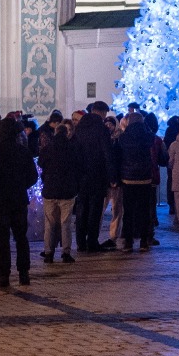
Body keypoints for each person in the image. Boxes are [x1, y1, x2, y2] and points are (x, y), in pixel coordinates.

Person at [0, 116, 38, 286]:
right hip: (19, 200)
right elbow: (33, 176)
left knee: (3, 238)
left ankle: (3, 273)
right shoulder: (23, 151)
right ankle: (23, 273)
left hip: (1, 201)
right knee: (21, 237)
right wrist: (21, 186)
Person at [72, 101, 114, 253]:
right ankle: (92, 242)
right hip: (97, 174)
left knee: (82, 208)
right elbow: (107, 153)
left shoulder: (80, 127)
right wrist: (112, 176)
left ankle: (80, 242)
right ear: (102, 112)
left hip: (82, 175)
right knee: (95, 210)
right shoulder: (101, 129)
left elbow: (75, 151)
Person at [37, 116, 79, 263]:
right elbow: (78, 167)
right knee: (65, 223)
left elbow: (41, 164)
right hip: (67, 191)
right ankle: (66, 252)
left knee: (49, 223)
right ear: (65, 133)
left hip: (50, 190)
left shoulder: (48, 148)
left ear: (55, 132)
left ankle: (48, 252)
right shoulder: (72, 148)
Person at [117, 112, 160, 253]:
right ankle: (143, 241)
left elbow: (120, 157)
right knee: (144, 210)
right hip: (144, 178)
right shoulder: (148, 136)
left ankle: (128, 242)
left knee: (128, 211)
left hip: (128, 178)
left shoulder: (123, 137)